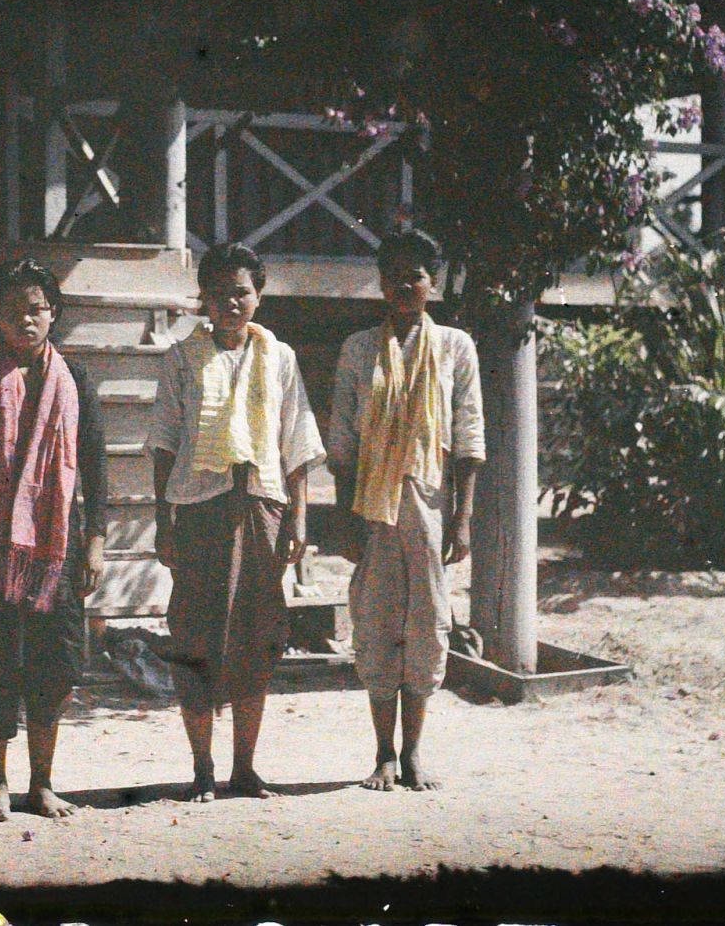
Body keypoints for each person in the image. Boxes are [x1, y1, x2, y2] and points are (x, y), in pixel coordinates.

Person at [148, 242, 323, 800]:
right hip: (200, 510)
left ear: (259, 295)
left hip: (262, 508)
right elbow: (164, 444)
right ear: (203, 298)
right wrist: (164, 518)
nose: (231, 303)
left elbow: (295, 443)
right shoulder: (181, 358)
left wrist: (298, 517)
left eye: (242, 292)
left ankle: (244, 767)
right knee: (197, 635)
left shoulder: (281, 357)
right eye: (220, 293)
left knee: (256, 634)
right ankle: (202, 767)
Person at [0, 257, 107, 821]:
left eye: (36, 309)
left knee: (52, 665)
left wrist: (97, 540)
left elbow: (95, 466)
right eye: (13, 313)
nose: (26, 321)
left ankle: (43, 783)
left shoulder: (76, 380)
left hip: (55, 546)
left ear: (53, 313)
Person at [326, 227, 484, 792]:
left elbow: (468, 440)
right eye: (393, 275)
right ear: (381, 283)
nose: (404, 284)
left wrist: (462, 519)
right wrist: (344, 516)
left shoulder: (455, 348)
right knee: (376, 622)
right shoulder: (358, 349)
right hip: (372, 507)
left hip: (430, 505)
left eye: (415, 275)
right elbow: (341, 444)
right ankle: (382, 754)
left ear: (432, 284)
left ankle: (413, 753)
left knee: (427, 626)